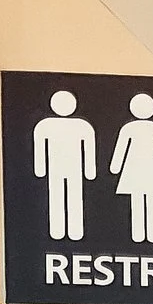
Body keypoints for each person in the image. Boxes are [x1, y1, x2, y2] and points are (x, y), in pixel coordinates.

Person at [110, 94, 153, 244]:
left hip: (140, 170)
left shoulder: (133, 128)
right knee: (144, 201)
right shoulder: (149, 128)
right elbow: (121, 148)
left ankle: (142, 235)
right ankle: (146, 235)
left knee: (142, 201)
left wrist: (115, 168)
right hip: (147, 170)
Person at [32, 91, 95, 241]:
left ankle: (72, 231)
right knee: (58, 196)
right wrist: (40, 169)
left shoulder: (82, 126)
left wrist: (89, 170)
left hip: (69, 168)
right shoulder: (45, 125)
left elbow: (89, 149)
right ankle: (60, 231)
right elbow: (40, 149)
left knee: (69, 196)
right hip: (59, 168)